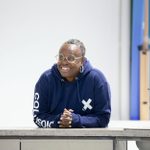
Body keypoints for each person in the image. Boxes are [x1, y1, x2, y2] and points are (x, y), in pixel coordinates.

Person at [33, 39, 111, 128]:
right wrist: (59, 120)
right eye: (61, 57)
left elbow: (103, 118)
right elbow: (38, 117)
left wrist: (76, 120)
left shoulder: (97, 79)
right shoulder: (46, 79)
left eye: (70, 58)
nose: (64, 62)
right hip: (52, 139)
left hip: (88, 140)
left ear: (82, 61)